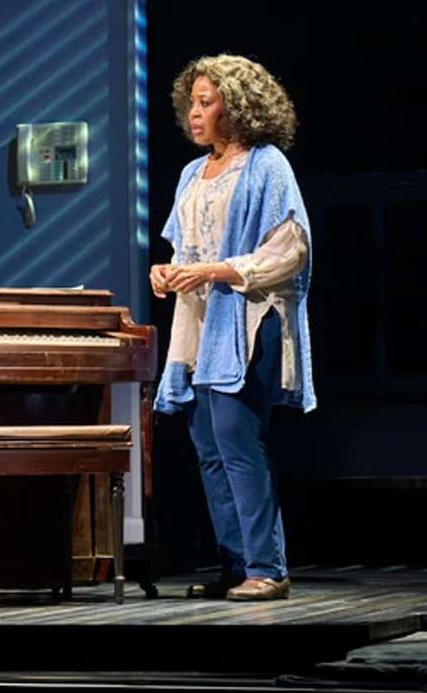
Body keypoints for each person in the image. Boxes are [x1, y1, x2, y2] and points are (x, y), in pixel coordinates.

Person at [151, 55, 315, 601]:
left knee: (237, 438)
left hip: (249, 318)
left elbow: (288, 251)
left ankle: (268, 567)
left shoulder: (267, 166)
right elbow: (187, 248)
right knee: (208, 445)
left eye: (206, 103)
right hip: (202, 322)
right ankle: (237, 563)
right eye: (191, 104)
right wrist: (167, 271)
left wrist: (216, 271)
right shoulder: (191, 174)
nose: (194, 114)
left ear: (238, 107)